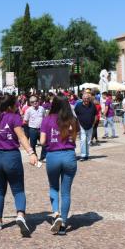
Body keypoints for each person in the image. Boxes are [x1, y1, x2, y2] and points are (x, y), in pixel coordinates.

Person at [0, 94, 38, 236]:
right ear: (9, 106)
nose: (17, 106)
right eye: (15, 104)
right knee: (18, 189)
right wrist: (31, 153)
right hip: (12, 157)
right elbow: (21, 136)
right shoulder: (14, 118)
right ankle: (20, 214)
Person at [40, 94, 79, 236]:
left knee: (53, 187)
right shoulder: (72, 120)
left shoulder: (47, 120)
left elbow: (43, 141)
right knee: (66, 192)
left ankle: (56, 213)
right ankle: (63, 224)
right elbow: (74, 137)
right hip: (69, 155)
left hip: (53, 156)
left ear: (54, 105)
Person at [74, 92, 97, 161]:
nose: (86, 100)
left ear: (89, 99)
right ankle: (83, 155)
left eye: (87, 98)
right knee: (83, 140)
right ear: (82, 99)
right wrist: (77, 123)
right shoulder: (78, 105)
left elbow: (95, 115)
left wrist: (93, 124)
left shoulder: (93, 105)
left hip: (90, 125)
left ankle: (86, 154)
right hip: (81, 125)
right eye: (85, 98)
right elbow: (75, 115)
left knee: (88, 141)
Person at [23, 95, 46, 162]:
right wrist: (31, 126)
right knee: (32, 145)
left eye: (36, 101)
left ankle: (43, 157)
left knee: (44, 143)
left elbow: (44, 117)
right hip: (32, 129)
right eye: (33, 102)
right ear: (30, 103)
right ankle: (35, 157)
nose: (35, 103)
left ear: (38, 101)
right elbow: (26, 121)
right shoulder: (28, 110)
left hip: (41, 129)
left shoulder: (42, 108)